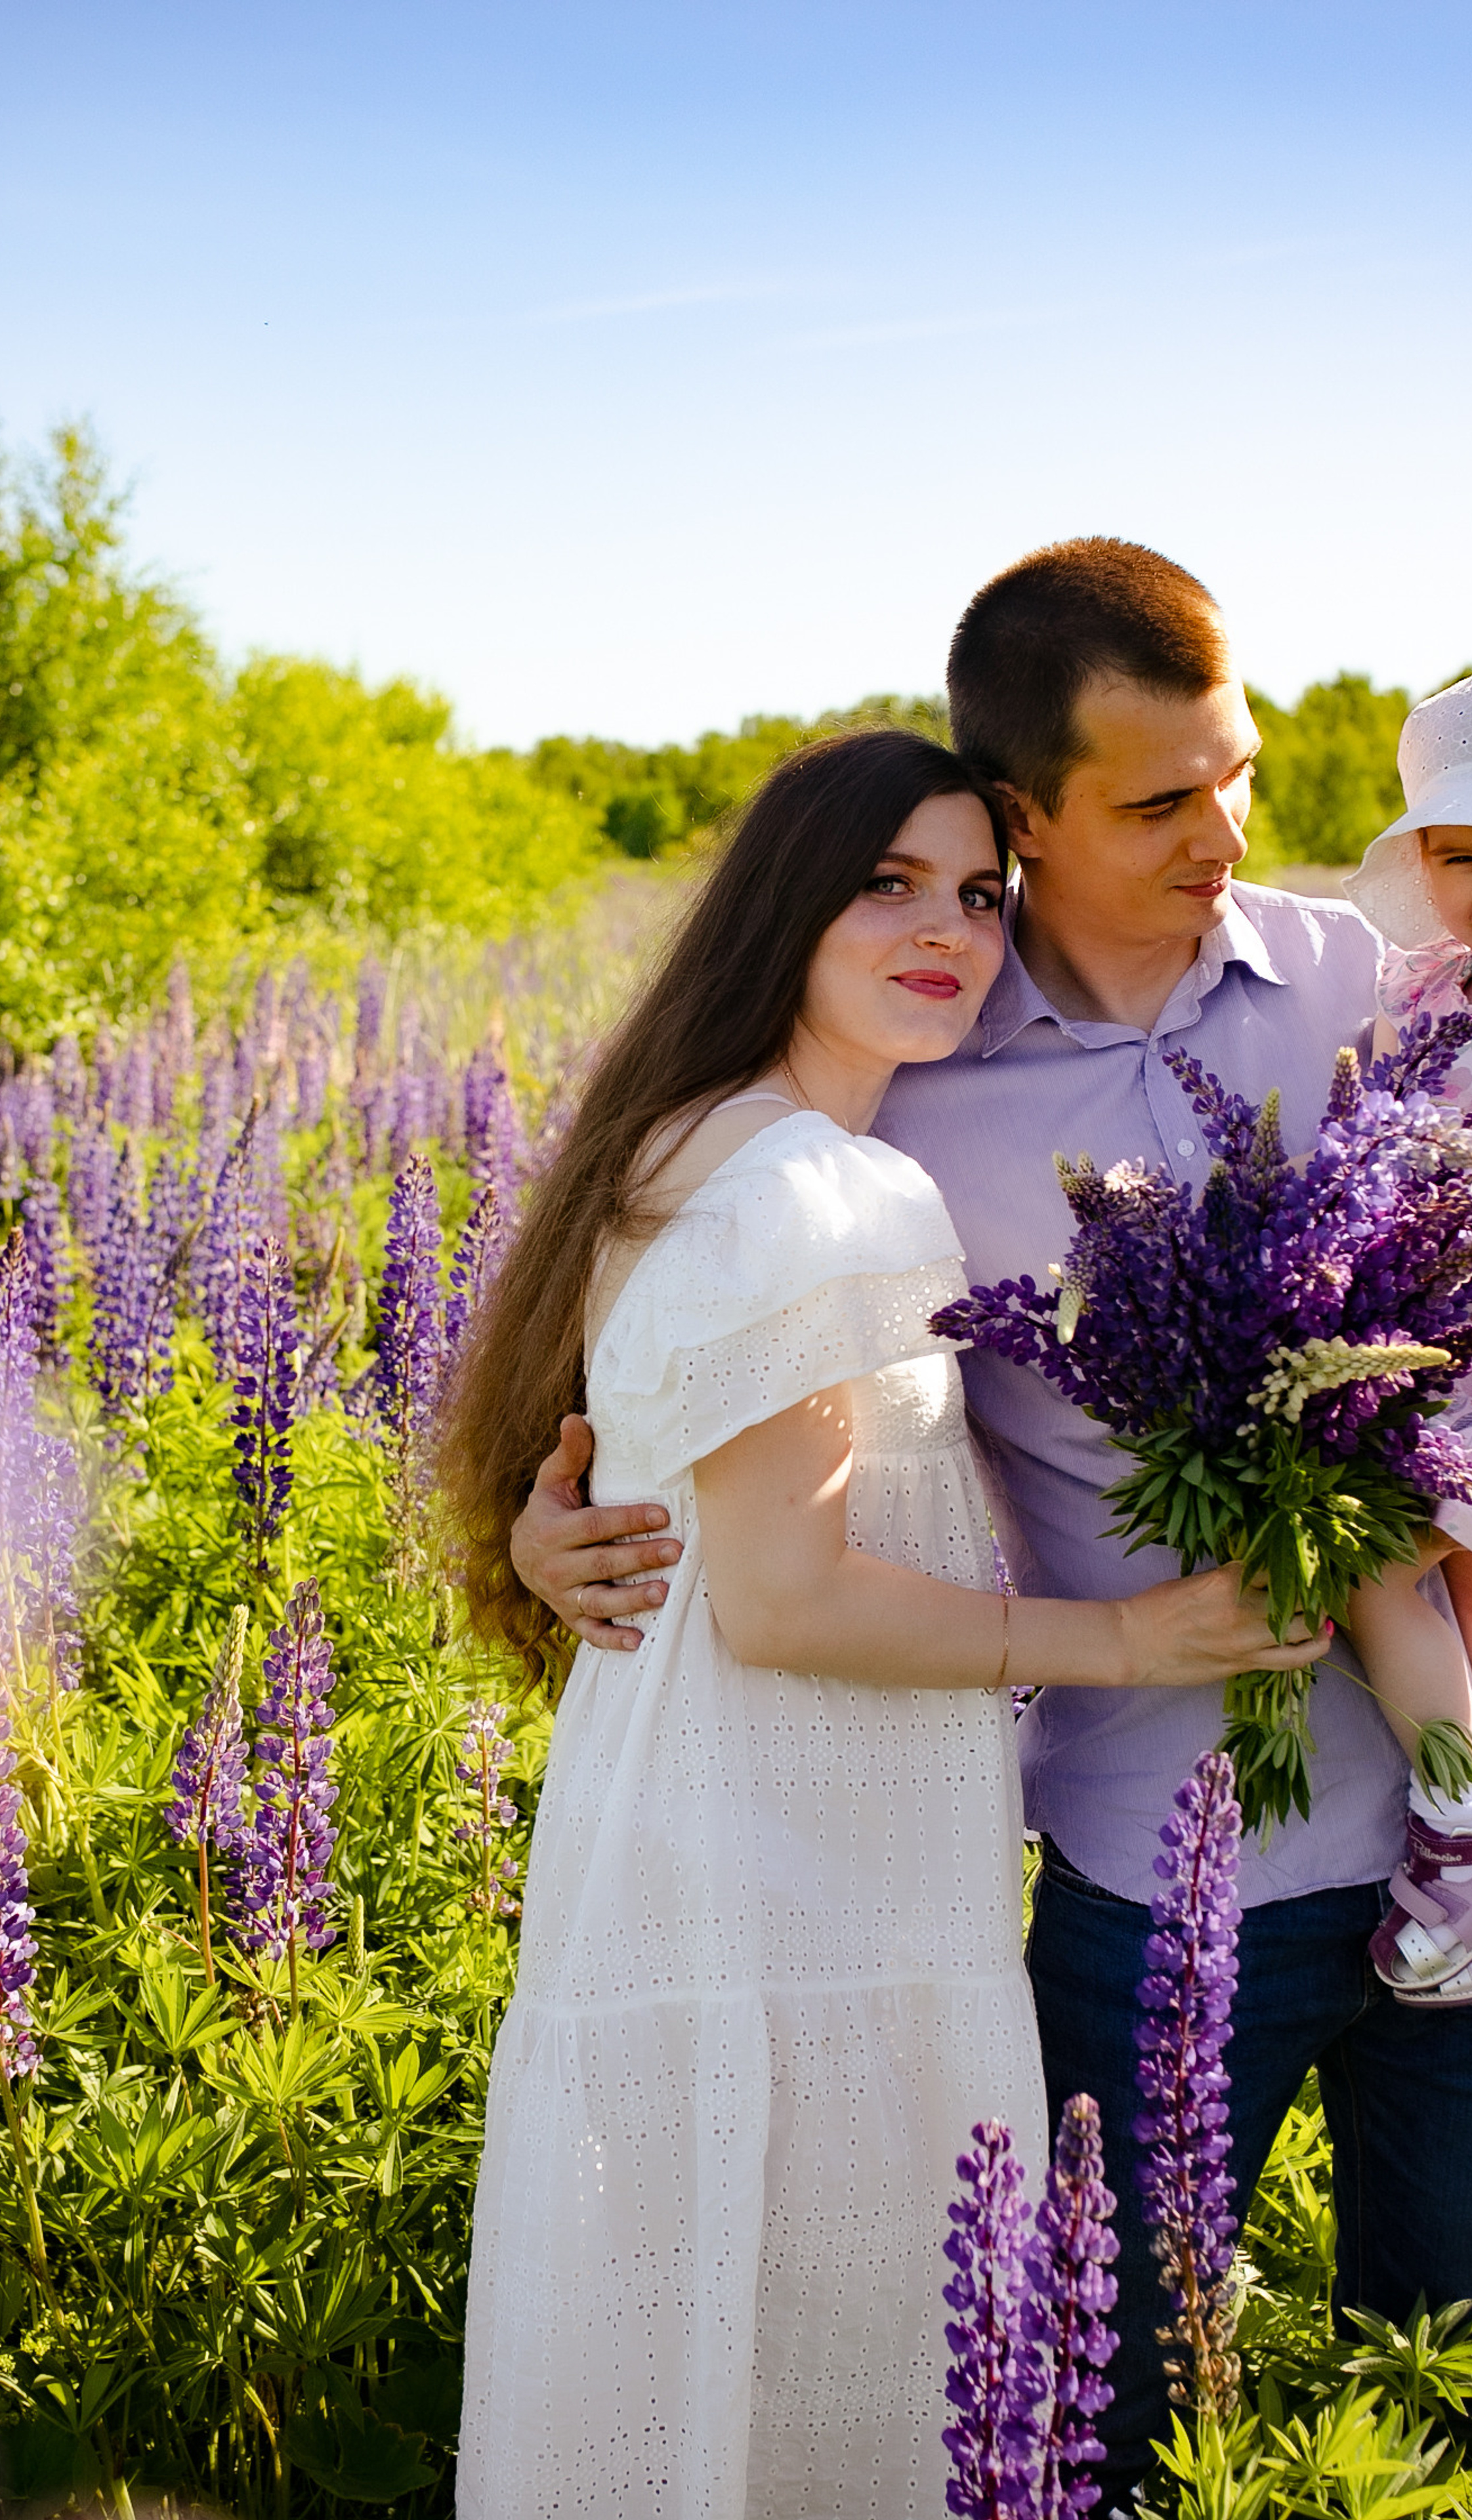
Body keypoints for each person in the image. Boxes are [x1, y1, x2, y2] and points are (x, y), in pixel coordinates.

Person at [513, 542, 1472, 2500]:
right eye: (1157, 798)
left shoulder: (1365, 990)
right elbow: (706, 1336)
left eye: (1240, 772)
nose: (1224, 828)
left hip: (1449, 1823)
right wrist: (552, 1530)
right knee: (1094, 2431)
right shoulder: (902, 1074)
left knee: (1442, 2405)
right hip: (1139, 1861)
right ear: (1028, 813)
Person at [440, 726, 1312, 2520]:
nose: (949, 931)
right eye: (887, 884)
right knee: (836, 2380)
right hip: (792, 1859)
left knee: (712, 2372)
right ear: (788, 904)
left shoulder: (698, 1139)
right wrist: (1133, 1641)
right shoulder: (812, 1191)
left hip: (702, 1831)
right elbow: (784, 1598)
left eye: (982, 895)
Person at [1338, 676, 1472, 2004]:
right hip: (1428, 1349)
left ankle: (1454, 1845)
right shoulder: (1425, 995)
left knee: (1384, 1562)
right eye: (1454, 857)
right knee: (1393, 1575)